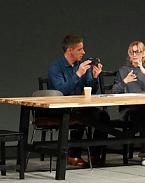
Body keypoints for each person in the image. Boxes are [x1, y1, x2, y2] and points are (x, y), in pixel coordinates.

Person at [46, 34, 110, 167]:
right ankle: (73, 155)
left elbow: (91, 90)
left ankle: (94, 155)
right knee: (78, 117)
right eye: (80, 49)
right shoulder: (55, 67)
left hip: (80, 106)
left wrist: (94, 77)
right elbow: (61, 91)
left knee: (103, 117)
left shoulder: (81, 65)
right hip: (61, 108)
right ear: (70, 50)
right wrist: (78, 74)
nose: (83, 52)